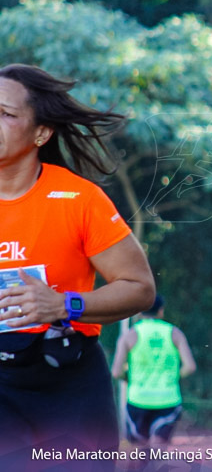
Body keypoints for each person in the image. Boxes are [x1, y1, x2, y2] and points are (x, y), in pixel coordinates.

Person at [0, 64, 156, 463]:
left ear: (41, 133)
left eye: (5, 113)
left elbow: (139, 288)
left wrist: (63, 304)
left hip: (69, 382)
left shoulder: (79, 200)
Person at [111, 294, 196, 449]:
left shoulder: (130, 335)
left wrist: (130, 379)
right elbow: (190, 366)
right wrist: (173, 377)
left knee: (138, 453)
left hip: (138, 400)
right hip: (168, 400)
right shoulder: (174, 333)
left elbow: (116, 372)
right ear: (161, 311)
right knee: (159, 450)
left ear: (139, 312)